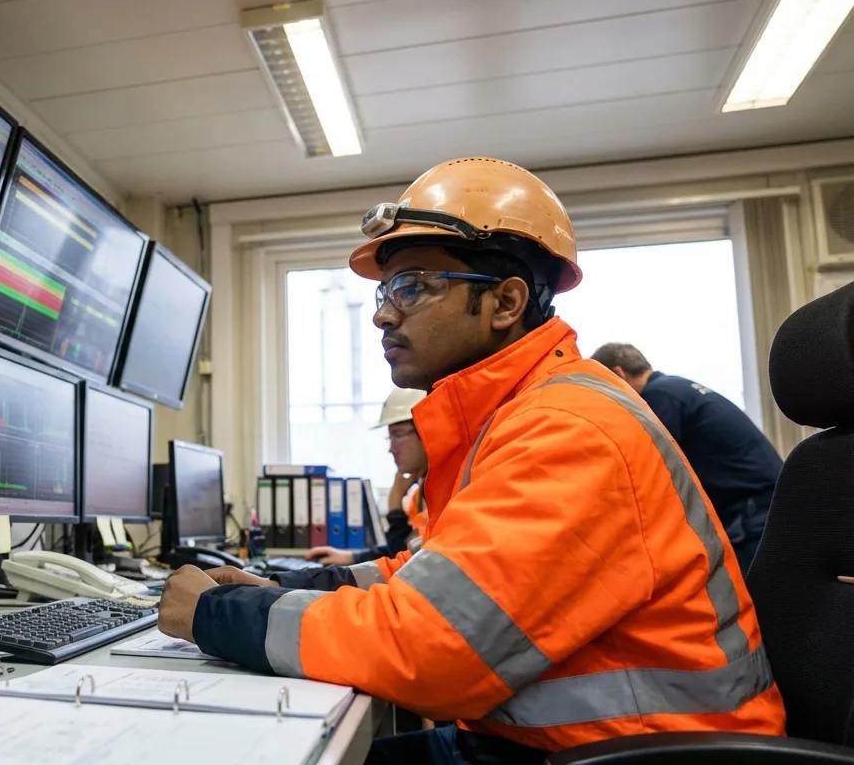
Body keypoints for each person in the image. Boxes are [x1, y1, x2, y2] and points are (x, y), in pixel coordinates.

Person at [157, 157, 784, 764]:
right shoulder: (515, 414)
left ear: (506, 303)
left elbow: (432, 647)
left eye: (413, 286)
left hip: (640, 755)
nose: (381, 313)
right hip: (582, 746)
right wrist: (288, 586)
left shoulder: (568, 430)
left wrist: (214, 615)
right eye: (384, 289)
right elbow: (435, 579)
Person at [590, 343, 782, 573]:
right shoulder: (676, 389)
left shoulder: (657, 398)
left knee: (755, 601)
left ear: (618, 374)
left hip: (750, 515)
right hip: (767, 503)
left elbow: (649, 468)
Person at [306, 387, 428, 566]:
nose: (391, 448)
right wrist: (351, 557)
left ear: (426, 432)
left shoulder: (447, 492)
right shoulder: (420, 496)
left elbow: (406, 560)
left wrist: (394, 506)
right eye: (389, 438)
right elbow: (400, 554)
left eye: (398, 435)